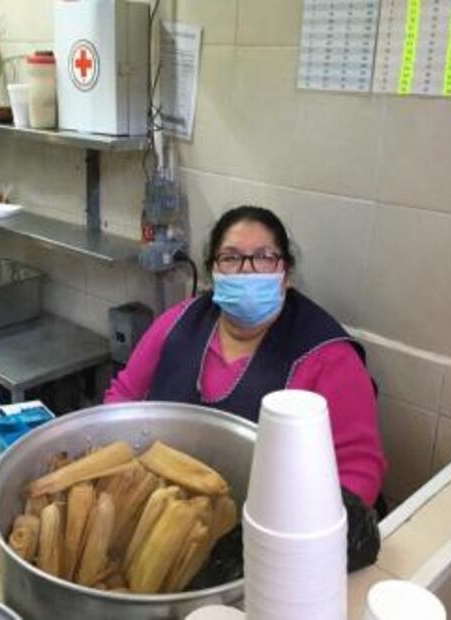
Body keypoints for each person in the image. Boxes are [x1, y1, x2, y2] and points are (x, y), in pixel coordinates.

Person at [105, 205, 387, 570]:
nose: (248, 270)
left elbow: (358, 471)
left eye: (265, 258)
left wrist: (294, 545)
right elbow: (123, 398)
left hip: (274, 543)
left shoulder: (327, 356)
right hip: (164, 526)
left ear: (285, 274)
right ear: (213, 272)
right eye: (231, 258)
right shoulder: (178, 323)